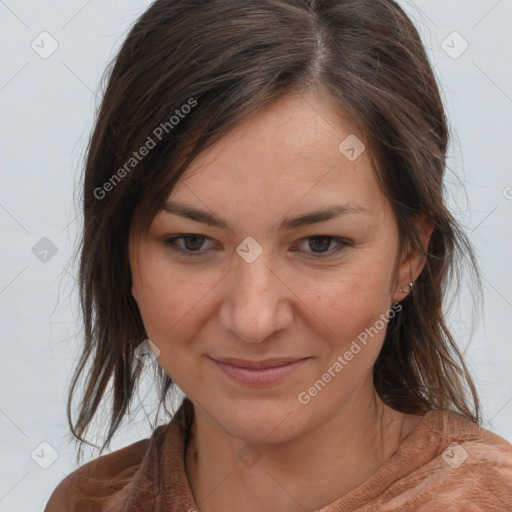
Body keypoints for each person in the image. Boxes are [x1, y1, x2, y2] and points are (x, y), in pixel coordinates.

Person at [44, 0, 512, 510]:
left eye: (319, 244)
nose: (253, 319)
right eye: (192, 242)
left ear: (410, 255)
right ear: (124, 256)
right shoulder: (85, 502)